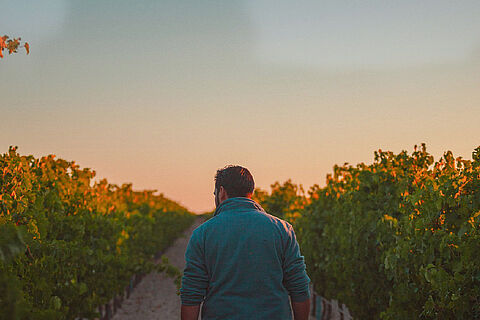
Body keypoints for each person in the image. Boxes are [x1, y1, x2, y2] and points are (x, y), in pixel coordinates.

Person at [180, 165, 311, 320]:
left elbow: (191, 295)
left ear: (221, 192)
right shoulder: (282, 229)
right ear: (251, 192)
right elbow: (299, 288)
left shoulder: (202, 234)